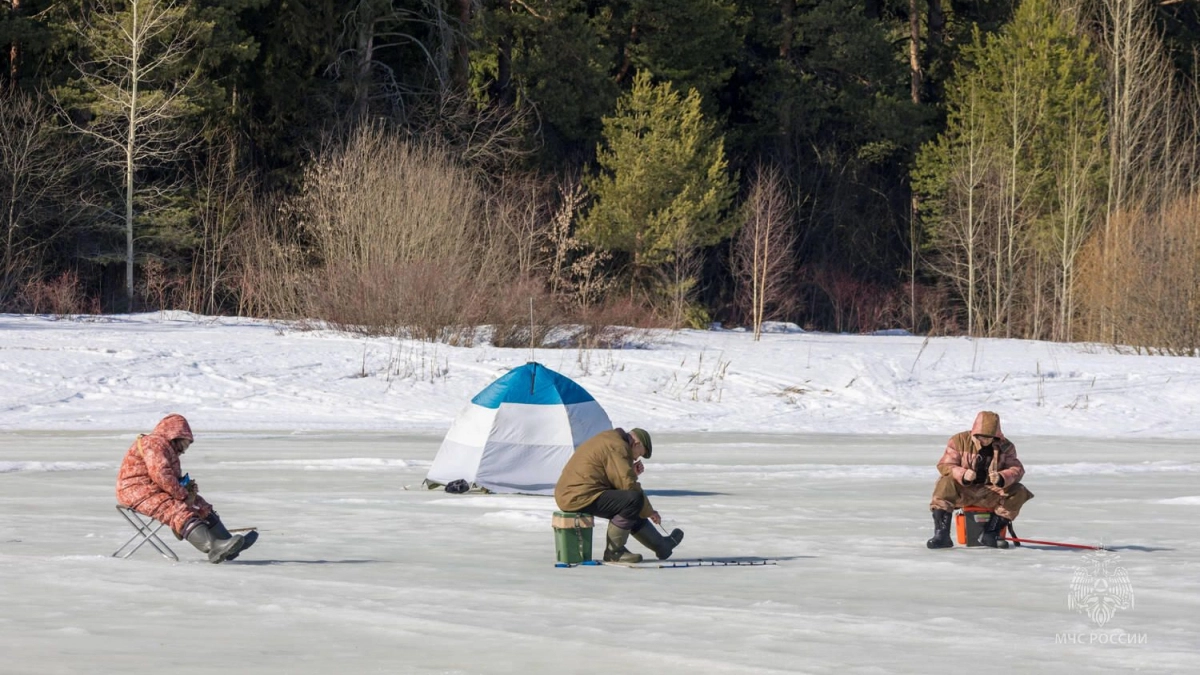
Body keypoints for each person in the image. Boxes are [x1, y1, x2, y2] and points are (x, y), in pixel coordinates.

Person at [116, 414, 257, 563]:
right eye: (186, 443)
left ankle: (228, 543)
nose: (185, 449)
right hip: (135, 491)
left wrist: (187, 488)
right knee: (175, 509)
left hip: (153, 489)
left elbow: (169, 478)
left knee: (199, 504)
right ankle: (213, 547)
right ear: (175, 434)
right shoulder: (153, 443)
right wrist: (183, 495)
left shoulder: (167, 449)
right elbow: (161, 475)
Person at [554, 427, 684, 563]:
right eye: (638, 454)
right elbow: (628, 485)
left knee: (629, 503)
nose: (635, 458)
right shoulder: (618, 447)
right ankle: (614, 552)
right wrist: (650, 511)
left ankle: (661, 546)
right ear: (636, 444)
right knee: (633, 500)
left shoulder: (612, 440)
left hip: (574, 493)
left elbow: (613, 477)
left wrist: (631, 472)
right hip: (577, 496)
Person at [927, 411, 1034, 549]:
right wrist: (963, 474)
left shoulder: (1006, 446)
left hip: (990, 492)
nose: (985, 440)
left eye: (990, 437)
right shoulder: (958, 440)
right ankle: (942, 535)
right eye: (982, 437)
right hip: (963, 491)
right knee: (945, 482)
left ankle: (991, 533)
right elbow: (944, 465)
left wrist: (1002, 477)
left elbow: (1017, 469)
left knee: (1019, 490)